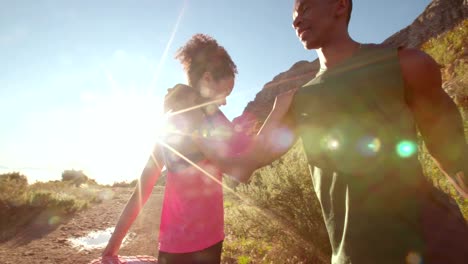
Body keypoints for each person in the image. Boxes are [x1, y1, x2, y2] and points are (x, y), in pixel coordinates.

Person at [195, 0, 468, 263]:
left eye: (305, 7)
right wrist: (192, 124)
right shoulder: (299, 100)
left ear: (340, 5)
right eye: (293, 16)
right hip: (354, 256)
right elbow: (243, 168)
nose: (296, 20)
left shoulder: (408, 64)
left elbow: (451, 155)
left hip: (440, 245)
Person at [102, 33, 243, 264]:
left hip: (171, 246)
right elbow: (245, 159)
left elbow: (143, 188)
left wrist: (113, 246)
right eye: (225, 92)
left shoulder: (167, 124)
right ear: (207, 79)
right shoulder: (215, 121)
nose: (225, 101)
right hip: (207, 243)